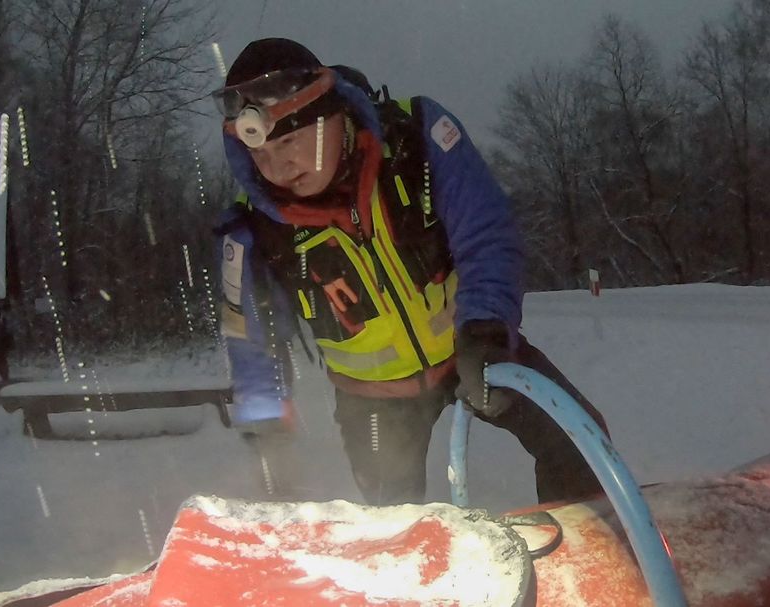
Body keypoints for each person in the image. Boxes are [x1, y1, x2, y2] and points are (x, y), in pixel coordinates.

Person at [212, 38, 610, 505]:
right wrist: (264, 420)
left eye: (290, 141)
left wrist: (486, 331)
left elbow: (486, 231)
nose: (278, 166)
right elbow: (248, 332)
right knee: (394, 524)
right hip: (372, 399)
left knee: (580, 441)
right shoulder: (251, 231)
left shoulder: (418, 138)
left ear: (330, 113)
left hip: (475, 348)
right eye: (260, 154)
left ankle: (589, 550)